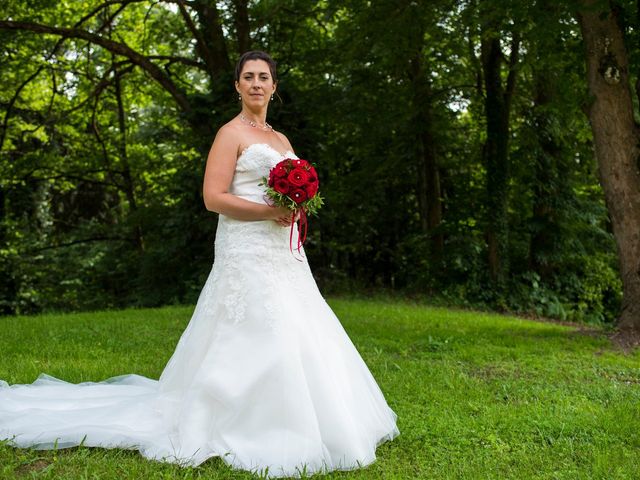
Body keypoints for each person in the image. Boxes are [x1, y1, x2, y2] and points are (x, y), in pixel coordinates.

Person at [0, 51, 399, 478]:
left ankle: (310, 416)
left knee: (298, 321)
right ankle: (241, 418)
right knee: (253, 325)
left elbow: (289, 194)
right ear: (238, 86)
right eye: (248, 77)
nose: (257, 84)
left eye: (264, 77)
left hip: (282, 249)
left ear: (275, 86)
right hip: (245, 245)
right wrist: (268, 212)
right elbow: (214, 198)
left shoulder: (282, 140)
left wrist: (296, 209)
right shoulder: (230, 133)